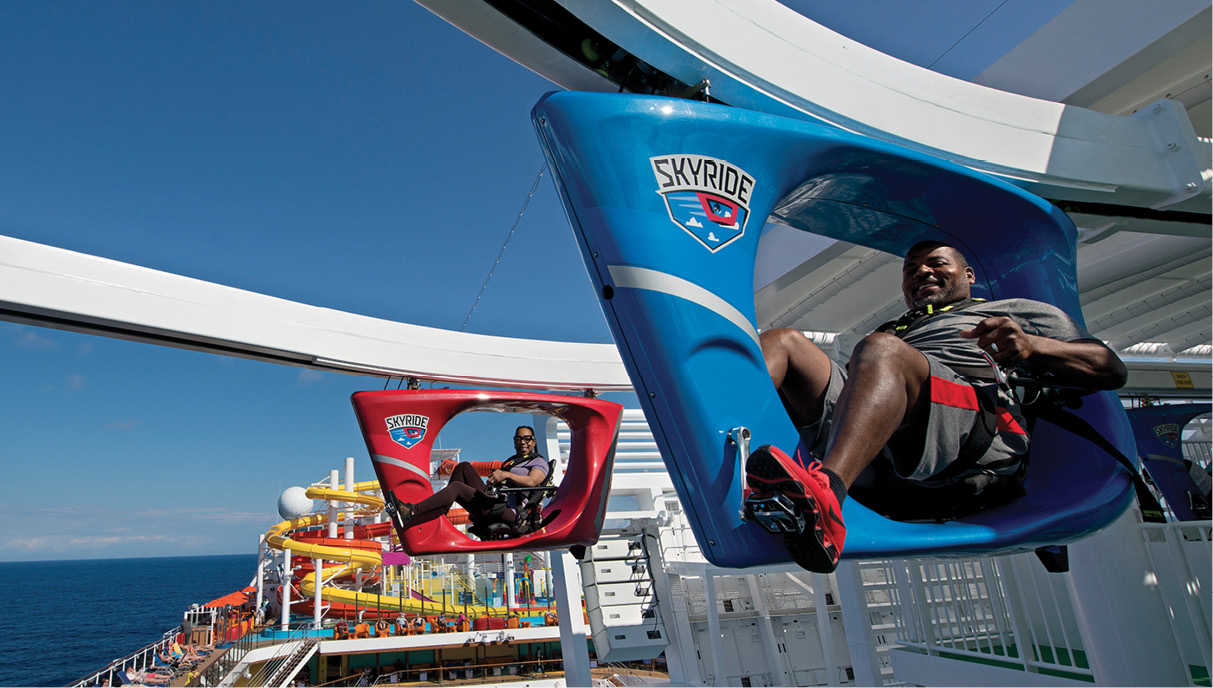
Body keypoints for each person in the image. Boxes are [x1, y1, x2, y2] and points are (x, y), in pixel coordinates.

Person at [747, 240, 1127, 573]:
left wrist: (1032, 345)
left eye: (936, 263)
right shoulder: (894, 330)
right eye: (911, 270)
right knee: (784, 342)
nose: (922, 272)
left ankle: (826, 498)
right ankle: (726, 461)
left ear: (968, 274)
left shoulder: (1014, 311)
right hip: (880, 444)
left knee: (882, 350)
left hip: (969, 429)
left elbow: (1109, 369)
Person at [388, 426, 549, 533]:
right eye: (519, 439)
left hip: (508, 512)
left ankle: (411, 512)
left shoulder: (538, 462)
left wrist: (506, 475)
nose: (523, 442)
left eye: (527, 439)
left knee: (457, 487)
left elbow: (533, 481)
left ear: (533, 441)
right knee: (463, 467)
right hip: (495, 500)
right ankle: (440, 514)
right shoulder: (514, 461)